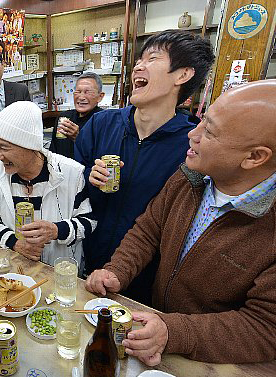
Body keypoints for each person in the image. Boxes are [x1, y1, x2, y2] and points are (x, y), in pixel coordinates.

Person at [85, 80, 276, 365]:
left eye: (209, 131)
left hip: (219, 362)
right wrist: (117, 270)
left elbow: (265, 328)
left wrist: (174, 331)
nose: (192, 134)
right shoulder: (190, 177)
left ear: (254, 157)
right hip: (157, 336)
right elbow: (149, 229)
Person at [74, 30, 214, 301]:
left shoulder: (193, 144)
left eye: (152, 58)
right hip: (84, 258)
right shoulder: (101, 124)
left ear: (183, 75)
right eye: (139, 59)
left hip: (146, 278)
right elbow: (69, 182)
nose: (139, 65)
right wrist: (88, 174)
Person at [0, 101, 96, 266]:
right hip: (16, 269)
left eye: (4, 148)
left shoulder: (71, 172)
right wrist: (15, 243)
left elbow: (88, 221)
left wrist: (56, 230)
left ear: (30, 145)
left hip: (61, 271)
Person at [49, 72, 104, 159]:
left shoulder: (105, 121)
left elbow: (103, 157)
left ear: (100, 97)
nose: (81, 97)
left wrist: (79, 138)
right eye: (78, 92)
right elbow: (53, 152)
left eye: (88, 92)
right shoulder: (64, 117)